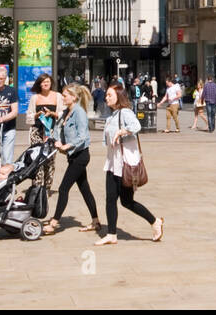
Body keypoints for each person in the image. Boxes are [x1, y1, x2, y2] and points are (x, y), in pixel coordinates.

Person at [96, 83, 163, 245]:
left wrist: (121, 132)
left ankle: (155, 221)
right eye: (106, 95)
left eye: (110, 95)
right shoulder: (111, 116)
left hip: (125, 164)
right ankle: (111, 234)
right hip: (112, 164)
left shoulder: (125, 112)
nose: (107, 98)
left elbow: (136, 126)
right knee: (110, 199)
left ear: (119, 96)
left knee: (127, 202)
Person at [44, 84, 101, 236]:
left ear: (74, 97)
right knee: (85, 189)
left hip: (81, 156)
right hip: (73, 156)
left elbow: (82, 136)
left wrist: (67, 145)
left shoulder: (79, 112)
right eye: (62, 95)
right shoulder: (66, 112)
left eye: (65, 95)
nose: (63, 98)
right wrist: (55, 140)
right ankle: (95, 221)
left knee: (63, 189)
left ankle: (54, 223)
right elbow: (58, 127)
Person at [27, 74, 60, 192]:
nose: (45, 84)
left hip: (51, 132)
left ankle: (46, 188)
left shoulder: (58, 96)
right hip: (37, 132)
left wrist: (52, 113)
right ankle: (37, 187)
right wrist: (36, 115)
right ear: (39, 84)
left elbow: (63, 114)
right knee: (37, 159)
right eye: (43, 82)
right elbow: (29, 117)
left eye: (47, 81)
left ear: (51, 83)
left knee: (50, 160)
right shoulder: (35, 98)